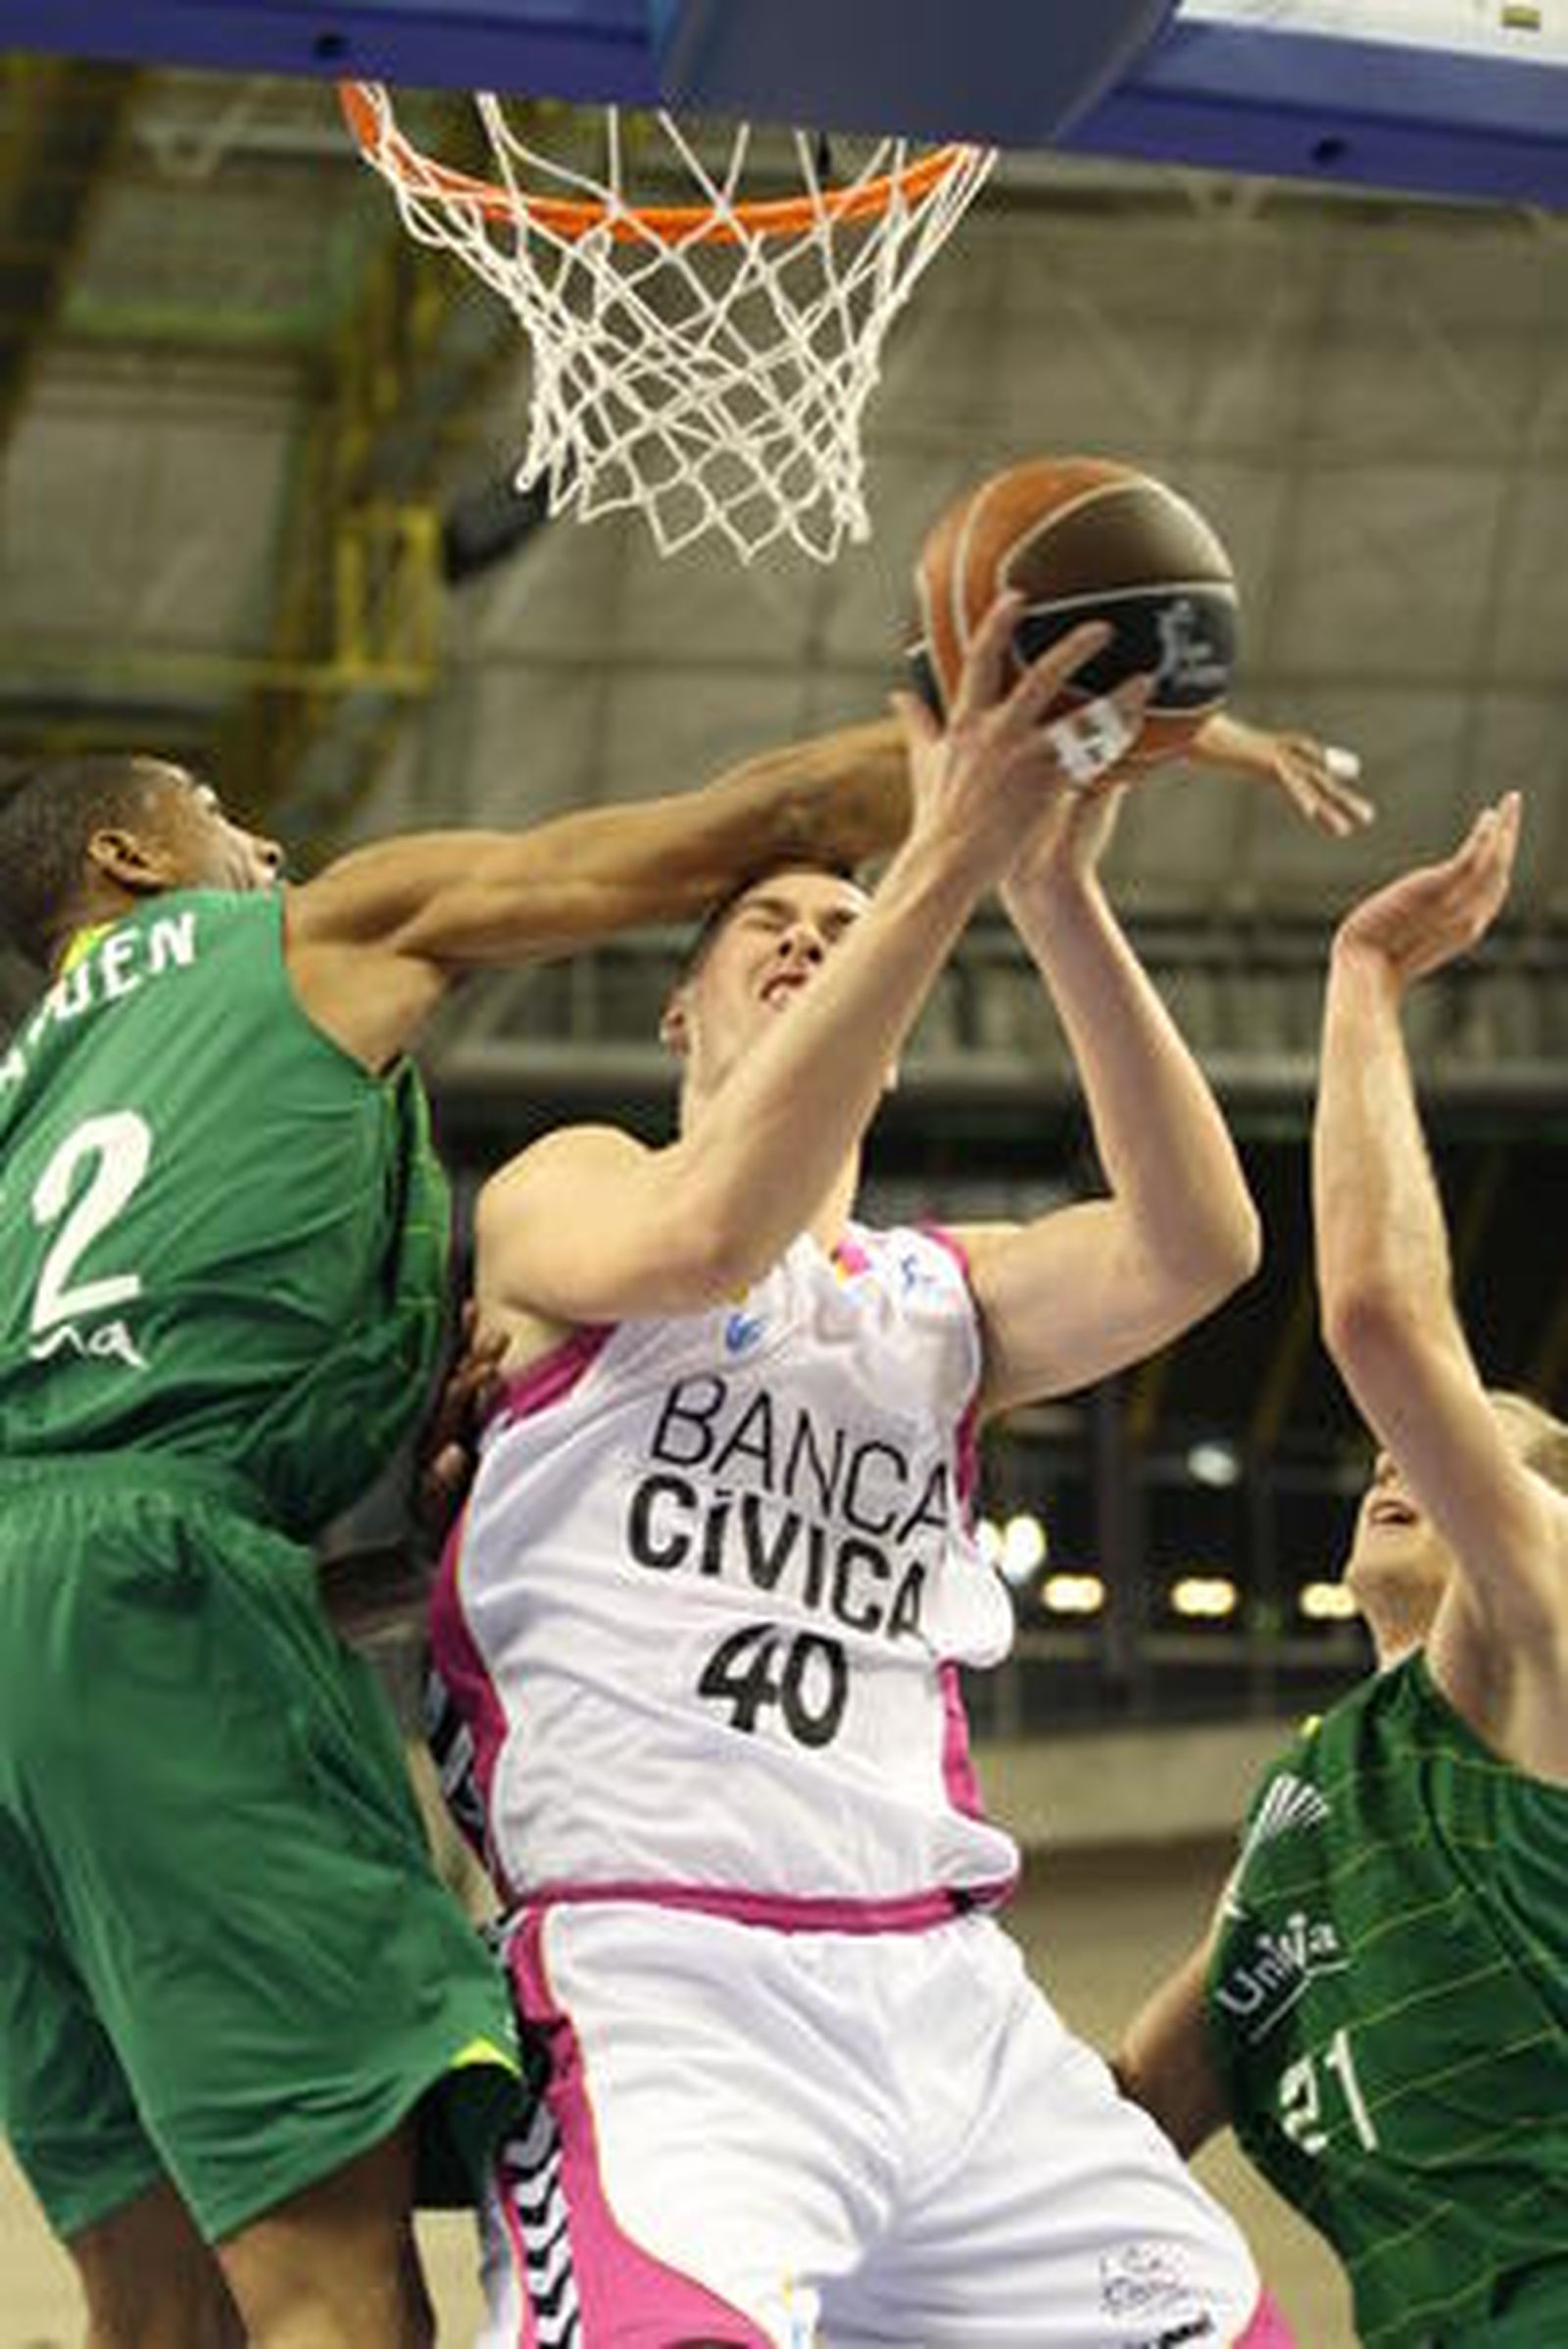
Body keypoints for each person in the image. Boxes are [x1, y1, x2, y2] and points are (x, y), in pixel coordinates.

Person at [430, 600, 1296, 2347]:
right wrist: (943, 852)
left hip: (946, 1989)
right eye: (774, 921)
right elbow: (715, 1224)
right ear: (680, 1006)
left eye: (849, 924)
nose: (819, 937)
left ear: (891, 1034)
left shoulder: (929, 1301)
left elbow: (1202, 1246)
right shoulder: (573, 1188)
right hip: (665, 1978)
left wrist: (1052, 892)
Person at [0, 724, 919, 2349]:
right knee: (330, 2291)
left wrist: (355, 1552)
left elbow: (77, 1457)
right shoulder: (309, 935)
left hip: (50, 1636)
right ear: (128, 863)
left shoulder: (29, 1109)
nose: (266, 847)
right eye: (219, 817)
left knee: (149, 2299)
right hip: (159, 1600)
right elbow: (745, 814)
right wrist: (1007, 723)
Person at [1114, 796, 1568, 2349]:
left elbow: (1377, 1313)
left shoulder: (1546, 1627)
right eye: (1404, 1450)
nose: (1398, 1460)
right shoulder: (1317, 1798)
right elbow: (1126, 2110)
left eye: (1459, 1453)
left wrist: (1365, 976)